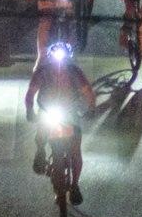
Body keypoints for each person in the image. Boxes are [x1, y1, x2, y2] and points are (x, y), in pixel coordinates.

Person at [25, 40, 94, 202]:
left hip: (69, 113)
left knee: (76, 151)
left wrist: (91, 108)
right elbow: (30, 94)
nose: (59, 66)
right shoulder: (41, 73)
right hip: (47, 110)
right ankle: (40, 150)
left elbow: (88, 92)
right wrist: (29, 110)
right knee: (41, 133)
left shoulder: (75, 72)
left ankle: (75, 185)